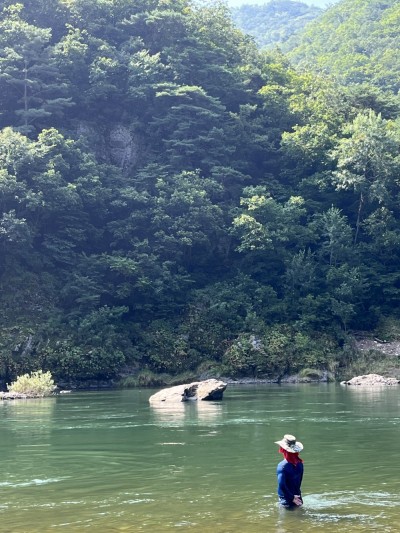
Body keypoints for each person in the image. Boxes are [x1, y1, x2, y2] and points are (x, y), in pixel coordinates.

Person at [275, 434, 304, 508]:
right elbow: (299, 481)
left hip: (286, 500)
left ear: (283, 449)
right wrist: (296, 497)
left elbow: (282, 485)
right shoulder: (300, 464)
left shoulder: (282, 466)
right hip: (298, 497)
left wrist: (292, 498)